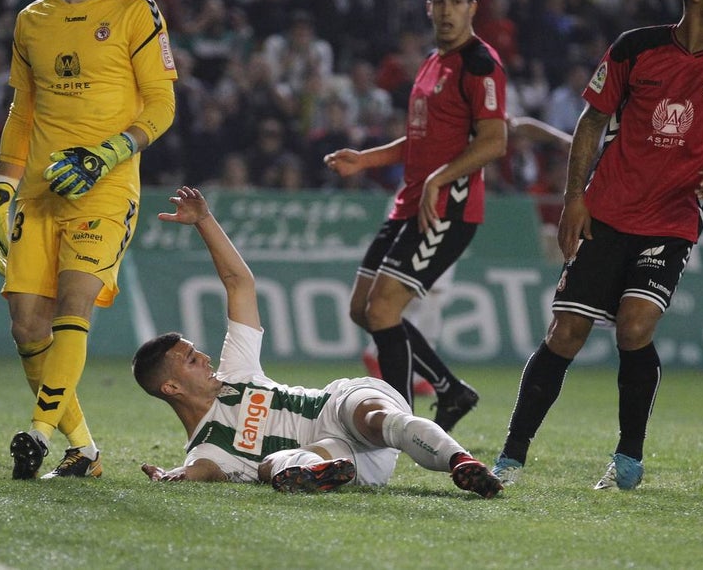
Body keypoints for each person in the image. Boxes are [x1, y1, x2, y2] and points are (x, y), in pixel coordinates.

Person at [491, 0, 703, 490]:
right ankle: (511, 455)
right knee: (565, 333)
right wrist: (575, 197)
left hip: (673, 217)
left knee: (635, 324)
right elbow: (592, 120)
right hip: (608, 209)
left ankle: (628, 459)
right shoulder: (634, 47)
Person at [133, 187, 503, 498]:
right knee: (271, 465)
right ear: (171, 386)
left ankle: (462, 463)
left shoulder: (236, 372)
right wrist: (173, 476)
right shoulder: (208, 450)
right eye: (191, 359)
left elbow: (240, 283)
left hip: (336, 408)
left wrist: (204, 221)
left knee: (376, 417)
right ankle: (317, 472)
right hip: (341, 458)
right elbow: (198, 471)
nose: (204, 357)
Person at [0, 0, 177, 480]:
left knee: (74, 305)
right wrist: (0, 191)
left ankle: (38, 433)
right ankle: (84, 447)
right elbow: (22, 112)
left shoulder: (137, 14)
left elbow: (163, 107)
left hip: (106, 188)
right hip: (39, 193)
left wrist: (106, 154)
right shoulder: (31, 21)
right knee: (26, 325)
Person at [323, 0, 508, 432]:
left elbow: (494, 141)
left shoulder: (481, 64)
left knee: (384, 311)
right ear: (429, 8)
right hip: (409, 203)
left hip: (448, 208)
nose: (447, 11)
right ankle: (449, 389)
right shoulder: (431, 61)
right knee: (361, 308)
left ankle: (397, 421)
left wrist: (438, 180)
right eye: (439, 2)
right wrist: (365, 160)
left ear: (472, 8)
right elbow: (420, 139)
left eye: (456, 2)